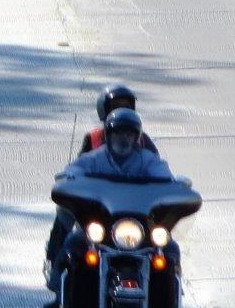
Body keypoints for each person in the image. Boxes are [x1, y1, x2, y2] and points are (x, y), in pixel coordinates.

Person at [44, 109, 175, 307]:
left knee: (170, 250)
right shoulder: (95, 159)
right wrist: (69, 179)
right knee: (74, 243)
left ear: (136, 137)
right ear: (109, 135)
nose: (123, 138)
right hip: (103, 226)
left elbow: (166, 177)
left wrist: (174, 185)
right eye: (118, 133)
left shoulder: (148, 161)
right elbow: (74, 171)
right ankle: (61, 296)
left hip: (139, 227)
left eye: (129, 133)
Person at [44, 85, 159, 280]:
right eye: (115, 107)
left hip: (136, 208)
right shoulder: (94, 140)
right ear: (104, 112)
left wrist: (170, 185)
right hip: (100, 207)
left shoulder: (144, 144)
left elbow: (159, 170)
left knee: (165, 245)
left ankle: (167, 284)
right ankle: (55, 263)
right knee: (65, 212)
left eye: (126, 107)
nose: (123, 138)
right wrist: (70, 180)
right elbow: (79, 166)